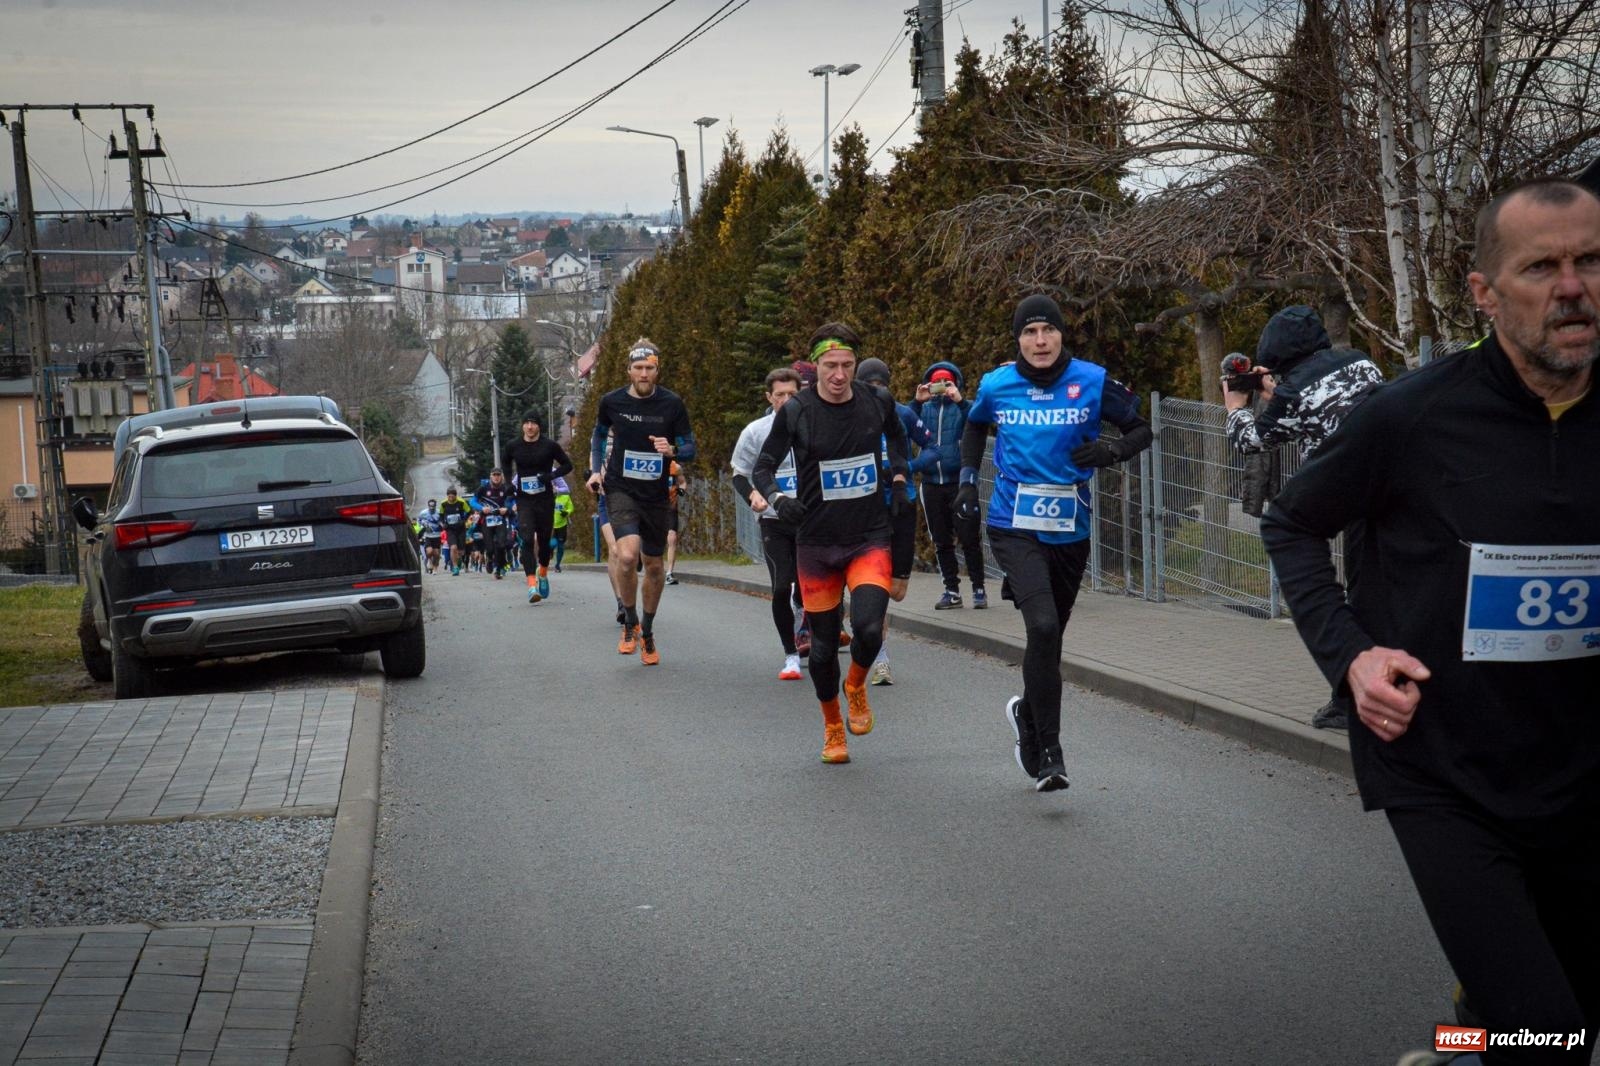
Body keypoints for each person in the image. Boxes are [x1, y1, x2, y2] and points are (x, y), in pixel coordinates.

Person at [1262, 177, 1600, 1066]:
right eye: (1542, 268)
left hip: (1580, 768)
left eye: (1591, 261)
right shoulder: (1410, 418)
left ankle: (1467, 1039)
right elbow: (1290, 522)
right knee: (1554, 1040)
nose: (1573, 287)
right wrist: (1353, 660)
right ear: (1485, 293)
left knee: (1559, 1018)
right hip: (1445, 769)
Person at [959, 294, 1153, 792]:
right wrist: (965, 480)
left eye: (1048, 331)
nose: (1039, 341)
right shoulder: (997, 384)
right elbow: (975, 425)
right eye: (1029, 332)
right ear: (1018, 339)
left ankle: (1026, 710)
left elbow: (1140, 429)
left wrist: (1110, 450)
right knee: (1041, 626)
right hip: (1012, 524)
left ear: (1062, 335)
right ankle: (1050, 752)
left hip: (1071, 528)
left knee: (1051, 640)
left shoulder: (1090, 381)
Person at [1223, 305, 1386, 730]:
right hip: (1399, 486)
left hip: (1357, 498)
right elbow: (1325, 403)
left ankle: (1350, 701)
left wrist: (1237, 404)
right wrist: (1275, 391)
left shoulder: (1293, 395)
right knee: (1383, 589)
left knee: (1359, 598)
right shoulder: (1361, 362)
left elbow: (1251, 440)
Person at [754, 323, 909, 764]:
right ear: (815, 368)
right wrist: (780, 500)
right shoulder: (798, 411)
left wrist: (897, 477)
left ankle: (856, 685)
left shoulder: (875, 401)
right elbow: (763, 467)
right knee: (822, 648)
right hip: (817, 542)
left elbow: (898, 437)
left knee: (867, 627)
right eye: (830, 366)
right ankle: (832, 726)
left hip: (868, 538)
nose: (839, 375)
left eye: (847, 365)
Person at [587, 339, 697, 666]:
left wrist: (672, 450)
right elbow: (597, 434)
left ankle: (647, 630)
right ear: (629, 371)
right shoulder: (612, 401)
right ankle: (630, 623)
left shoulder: (672, 404)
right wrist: (596, 471)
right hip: (621, 487)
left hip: (655, 495)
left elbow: (690, 447)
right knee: (626, 555)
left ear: (657, 371)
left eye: (650, 368)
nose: (644, 373)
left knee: (653, 565)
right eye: (638, 368)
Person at [855, 357, 940, 685]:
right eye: (869, 387)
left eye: (880, 386)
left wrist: (905, 469)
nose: (876, 392)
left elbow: (934, 449)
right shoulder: (851, 416)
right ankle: (880, 658)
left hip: (901, 506)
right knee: (872, 585)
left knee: (897, 590)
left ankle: (870, 629)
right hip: (865, 511)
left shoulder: (902, 414)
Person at [731, 366, 806, 681]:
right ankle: (791, 657)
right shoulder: (755, 432)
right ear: (769, 397)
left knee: (810, 586)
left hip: (810, 519)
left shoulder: (815, 426)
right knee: (780, 587)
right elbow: (738, 473)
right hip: (773, 519)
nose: (787, 400)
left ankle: (808, 627)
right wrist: (753, 497)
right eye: (780, 395)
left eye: (793, 394)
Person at [913, 361, 988, 610]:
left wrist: (960, 401)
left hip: (959, 483)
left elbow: (978, 423)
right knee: (941, 540)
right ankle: (951, 590)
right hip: (932, 483)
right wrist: (917, 402)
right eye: (937, 383)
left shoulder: (962, 407)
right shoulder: (924, 409)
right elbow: (902, 425)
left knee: (969, 538)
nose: (942, 388)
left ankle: (979, 588)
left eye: (947, 382)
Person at [502, 411, 574, 603]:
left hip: (545, 499)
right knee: (526, 539)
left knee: (543, 542)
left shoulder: (549, 446)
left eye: (533, 423)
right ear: (522, 426)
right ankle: (531, 585)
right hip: (524, 499)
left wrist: (551, 476)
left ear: (539, 426)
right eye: (527, 423)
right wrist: (509, 483)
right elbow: (506, 462)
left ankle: (542, 571)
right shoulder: (513, 445)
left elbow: (568, 465)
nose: (530, 427)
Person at [477, 468, 513, 579]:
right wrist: (482, 508)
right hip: (486, 521)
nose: (496, 477)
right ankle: (489, 558)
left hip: (500, 520)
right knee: (490, 547)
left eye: (498, 475)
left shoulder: (506, 488)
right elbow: (473, 501)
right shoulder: (483, 489)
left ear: (501, 476)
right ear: (490, 476)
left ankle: (498, 569)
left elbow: (513, 502)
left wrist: (507, 509)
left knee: (501, 545)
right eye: (494, 475)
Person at [438, 488, 472, 576]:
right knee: (453, 547)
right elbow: (440, 516)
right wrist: (443, 524)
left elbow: (469, 511)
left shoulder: (461, 502)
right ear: (447, 496)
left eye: (452, 496)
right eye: (449, 496)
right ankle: (455, 567)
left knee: (461, 551)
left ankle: (459, 560)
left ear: (456, 496)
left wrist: (463, 521)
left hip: (460, 529)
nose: (451, 498)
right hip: (450, 529)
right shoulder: (443, 504)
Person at [663, 460, 687, 585]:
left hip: (670, 506)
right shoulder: (651, 464)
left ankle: (669, 573)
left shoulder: (675, 467)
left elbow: (682, 482)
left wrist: (681, 491)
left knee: (672, 538)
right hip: (653, 507)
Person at [550, 478, 573, 572]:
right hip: (550, 526)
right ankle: (550, 552)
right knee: (551, 544)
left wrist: (566, 512)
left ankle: (557, 565)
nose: (554, 489)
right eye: (552, 487)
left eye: (555, 487)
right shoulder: (547, 499)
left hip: (561, 525)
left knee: (560, 546)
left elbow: (571, 508)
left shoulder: (565, 497)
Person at [415, 499, 444, 574]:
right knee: (429, 551)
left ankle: (435, 568)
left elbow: (443, 521)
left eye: (433, 506)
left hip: (437, 536)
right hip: (428, 536)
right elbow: (419, 521)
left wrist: (442, 525)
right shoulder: (423, 513)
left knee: (437, 554)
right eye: (430, 506)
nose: (432, 507)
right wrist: (423, 526)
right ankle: (429, 560)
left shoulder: (439, 512)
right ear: (428, 505)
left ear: (435, 505)